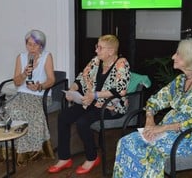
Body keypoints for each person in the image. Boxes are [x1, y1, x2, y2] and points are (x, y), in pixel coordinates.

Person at [113, 38, 192, 178]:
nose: (173, 56)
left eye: (178, 54)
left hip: (189, 137)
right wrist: (150, 119)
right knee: (126, 142)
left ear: (191, 57)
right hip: (166, 132)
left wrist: (163, 128)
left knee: (151, 151)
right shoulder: (181, 80)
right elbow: (155, 100)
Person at [48, 34, 131, 174]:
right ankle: (64, 158)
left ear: (111, 51)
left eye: (100, 47)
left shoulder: (122, 63)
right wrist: (72, 90)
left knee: (82, 122)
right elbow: (81, 78)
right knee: (64, 116)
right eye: (96, 46)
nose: (96, 50)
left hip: (111, 106)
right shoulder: (96, 61)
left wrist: (95, 95)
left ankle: (92, 157)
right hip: (90, 101)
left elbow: (119, 90)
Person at [0, 29, 55, 166]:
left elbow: (52, 80)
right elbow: (17, 82)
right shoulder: (21, 57)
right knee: (6, 109)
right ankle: (8, 148)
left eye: (35, 45)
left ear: (41, 45)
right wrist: (24, 74)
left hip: (40, 95)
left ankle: (29, 150)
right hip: (22, 94)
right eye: (29, 44)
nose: (32, 48)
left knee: (25, 111)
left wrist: (40, 86)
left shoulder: (47, 56)